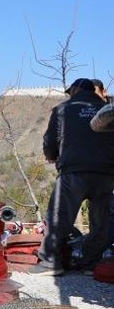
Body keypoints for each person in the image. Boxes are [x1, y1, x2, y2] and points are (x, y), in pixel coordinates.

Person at [31, 78, 114, 276]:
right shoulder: (108, 109)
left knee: (59, 216)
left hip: (74, 170)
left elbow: (50, 141)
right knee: (101, 220)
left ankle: (51, 261)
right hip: (106, 173)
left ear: (75, 90)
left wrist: (52, 156)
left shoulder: (63, 109)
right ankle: (90, 262)